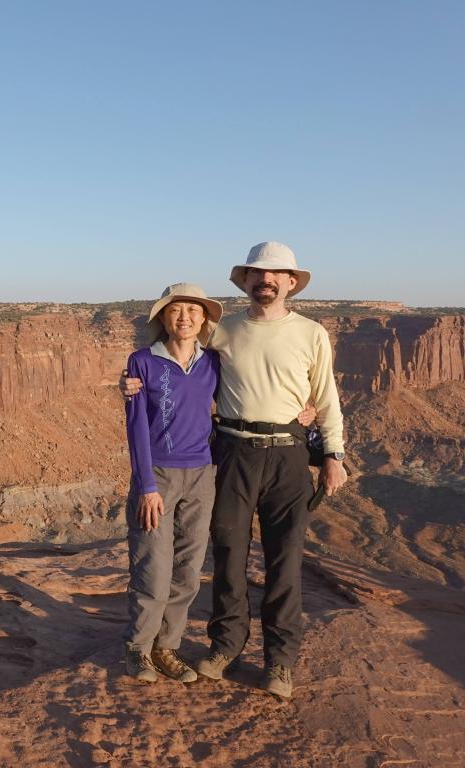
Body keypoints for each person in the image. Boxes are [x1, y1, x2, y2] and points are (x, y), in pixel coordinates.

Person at [123, 242, 347, 698]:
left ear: (289, 282)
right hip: (232, 451)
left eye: (276, 274)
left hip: (286, 452)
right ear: (245, 281)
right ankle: (224, 647)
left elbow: (326, 398)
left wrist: (333, 454)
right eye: (257, 274)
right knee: (228, 556)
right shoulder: (222, 331)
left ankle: (279, 664)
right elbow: (172, 368)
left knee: (284, 562)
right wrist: (130, 385)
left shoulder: (311, 333)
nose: (266, 280)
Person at [122, 283, 222, 683]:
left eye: (192, 311)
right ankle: (138, 649)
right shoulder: (142, 362)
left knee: (188, 569)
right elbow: (135, 430)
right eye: (175, 310)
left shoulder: (213, 362)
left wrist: (302, 407)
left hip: (203, 474)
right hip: (158, 476)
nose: (184, 318)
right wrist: (147, 486)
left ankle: (167, 647)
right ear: (163, 318)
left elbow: (250, 395)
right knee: (153, 567)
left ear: (203, 320)